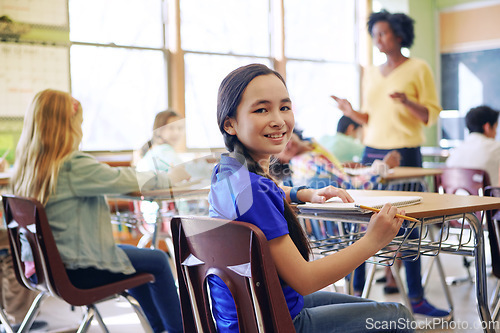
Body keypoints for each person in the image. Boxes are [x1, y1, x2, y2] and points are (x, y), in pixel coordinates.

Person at [208, 63, 415, 332]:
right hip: (274, 322)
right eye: (261, 109)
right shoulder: (254, 190)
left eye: (284, 107)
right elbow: (304, 280)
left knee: (365, 306)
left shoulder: (227, 173)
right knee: (398, 316)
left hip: (254, 312)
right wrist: (373, 240)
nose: (278, 120)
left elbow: (267, 193)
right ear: (230, 124)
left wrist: (301, 193)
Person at [10, 89, 184, 333]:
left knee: (136, 260)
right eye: (79, 123)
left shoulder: (27, 168)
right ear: (66, 127)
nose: (81, 130)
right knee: (158, 259)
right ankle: (179, 329)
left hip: (46, 269)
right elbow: (124, 178)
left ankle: (160, 329)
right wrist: (169, 176)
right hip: (78, 269)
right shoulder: (71, 165)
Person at [331, 10, 441, 168]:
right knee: (369, 191)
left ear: (399, 35)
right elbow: (369, 119)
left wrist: (407, 102)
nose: (377, 40)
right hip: (372, 149)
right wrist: (350, 112)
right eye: (375, 35)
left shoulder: (419, 68)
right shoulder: (371, 72)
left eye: (383, 33)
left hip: (404, 150)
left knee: (407, 193)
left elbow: (429, 115)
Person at [446, 105, 500, 185]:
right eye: (495, 128)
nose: (496, 133)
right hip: (487, 197)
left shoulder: (455, 152)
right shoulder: (496, 148)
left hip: (455, 197)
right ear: (487, 127)